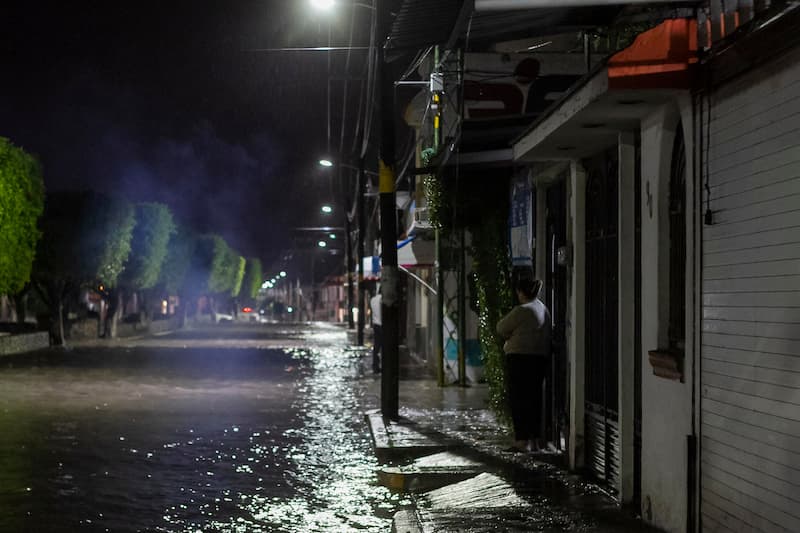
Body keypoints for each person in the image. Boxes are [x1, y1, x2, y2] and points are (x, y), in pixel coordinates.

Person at [496, 278, 552, 452]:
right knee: (534, 399)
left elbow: (501, 327)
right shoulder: (543, 309)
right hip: (539, 359)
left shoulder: (522, 310)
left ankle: (522, 440)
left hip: (519, 359)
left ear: (521, 292)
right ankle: (535, 439)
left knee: (519, 399)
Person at [369, 288, 382, 374]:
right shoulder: (383, 299)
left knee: (376, 346)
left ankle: (375, 366)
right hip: (383, 325)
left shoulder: (372, 300)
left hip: (375, 325)